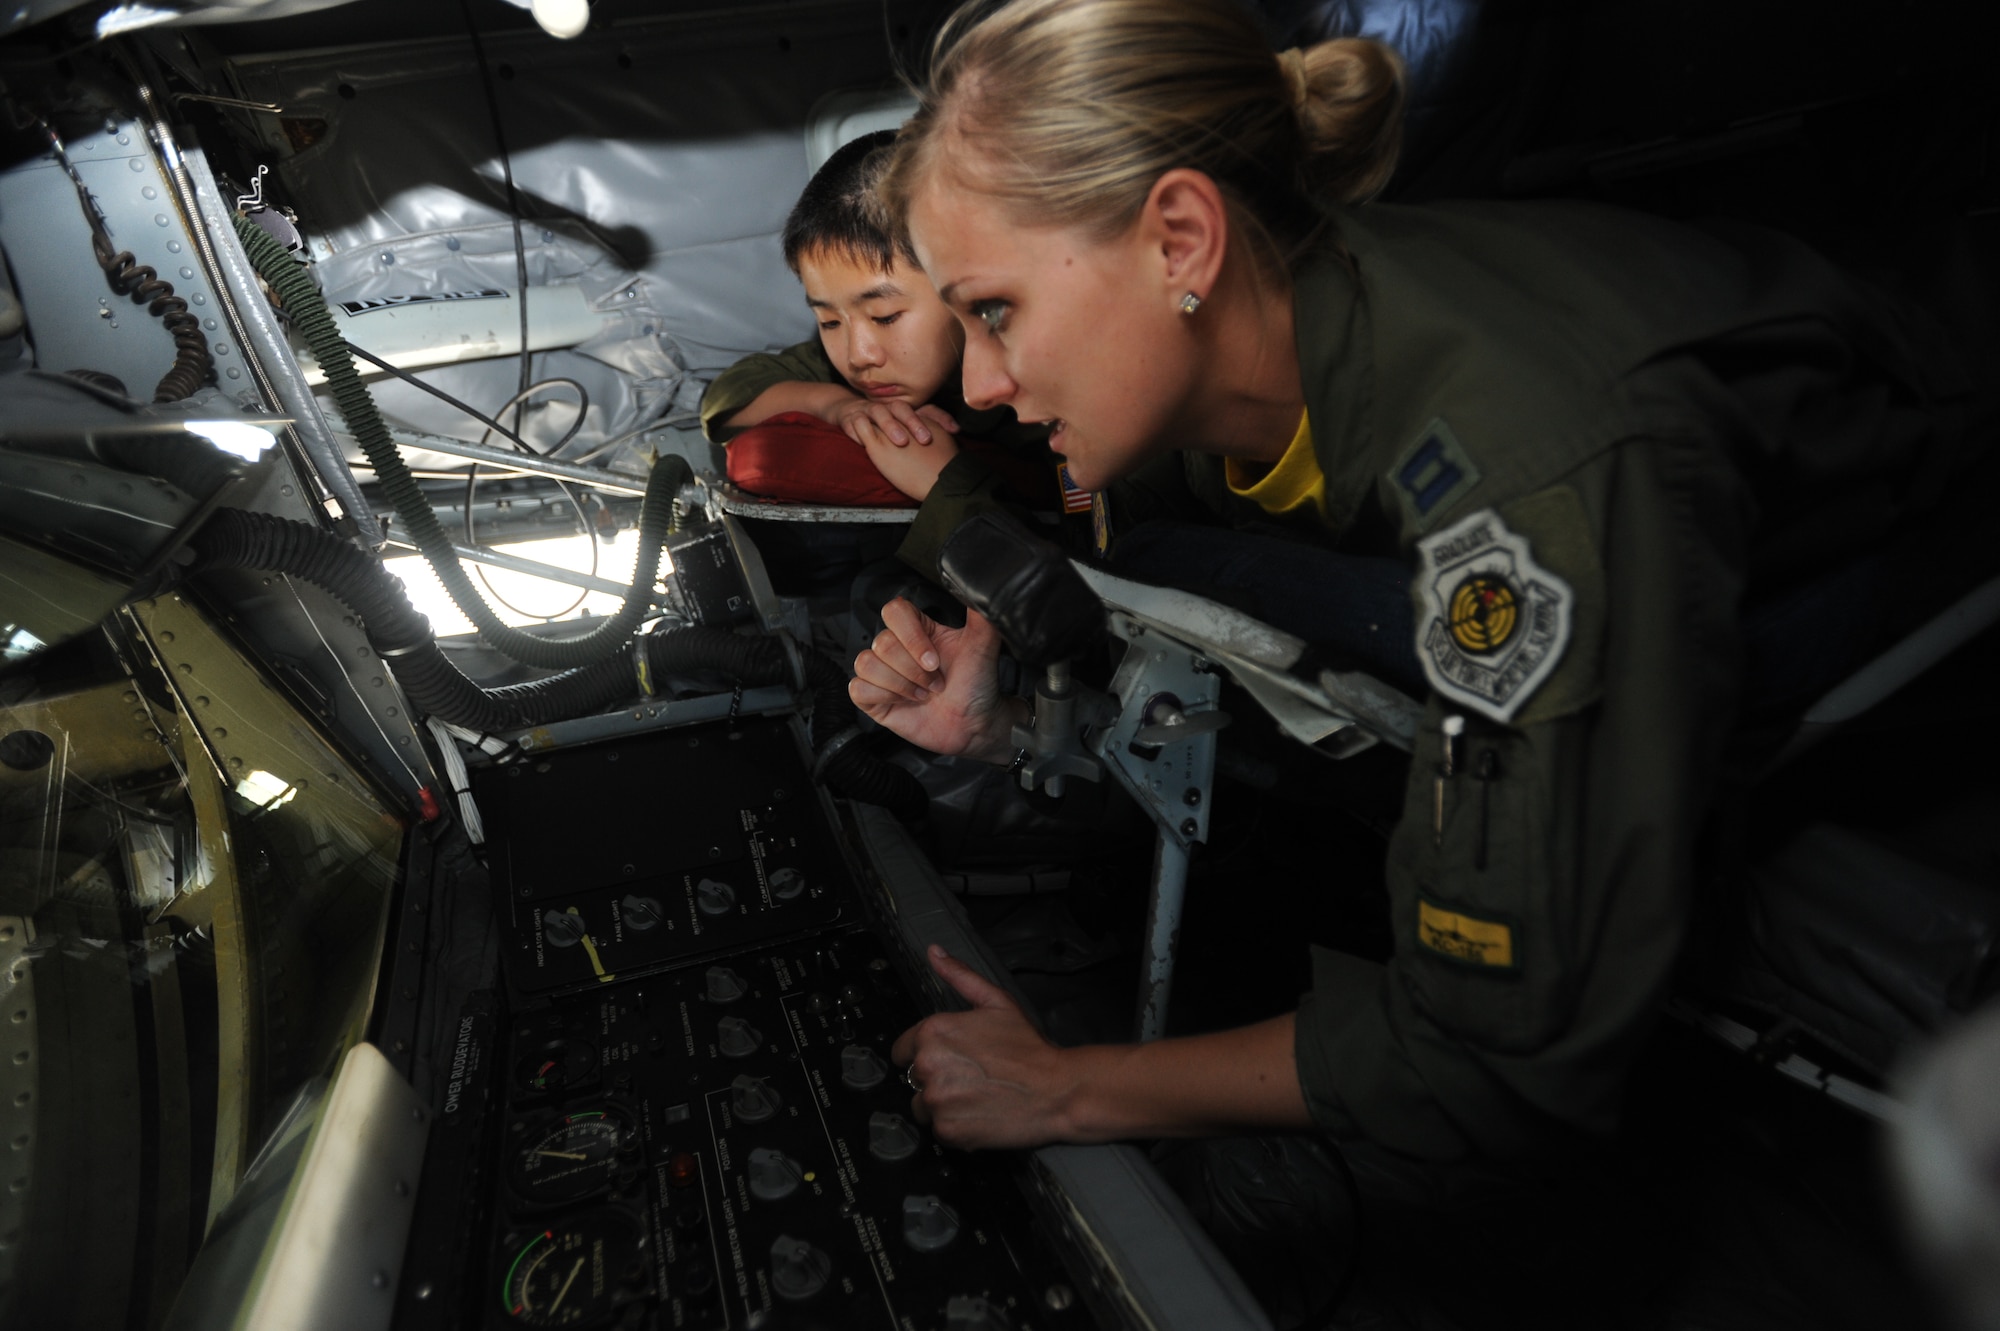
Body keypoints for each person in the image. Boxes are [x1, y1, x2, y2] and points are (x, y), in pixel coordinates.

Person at [852, 0, 1994, 1319]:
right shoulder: (1220, 383)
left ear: (1181, 240)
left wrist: (1068, 1081)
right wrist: (1016, 732)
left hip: (1913, 481)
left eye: (994, 311)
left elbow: (1497, 1057)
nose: (978, 382)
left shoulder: (1534, 485)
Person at [700, 130, 1073, 585]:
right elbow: (727, 399)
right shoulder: (857, 372)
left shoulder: (1060, 372)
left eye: (886, 316)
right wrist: (837, 406)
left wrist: (946, 483)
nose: (858, 355)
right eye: (829, 322)